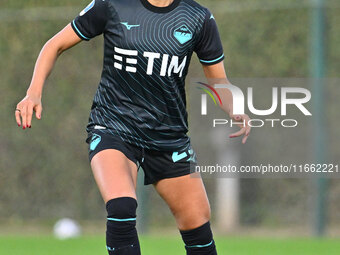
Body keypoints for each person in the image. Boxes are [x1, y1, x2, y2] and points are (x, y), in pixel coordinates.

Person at [15, 0, 251, 254]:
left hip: (168, 138)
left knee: (199, 230)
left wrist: (234, 108)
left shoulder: (198, 18)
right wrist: (33, 93)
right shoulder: (113, 5)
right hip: (114, 127)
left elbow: (218, 82)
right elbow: (55, 44)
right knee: (121, 208)